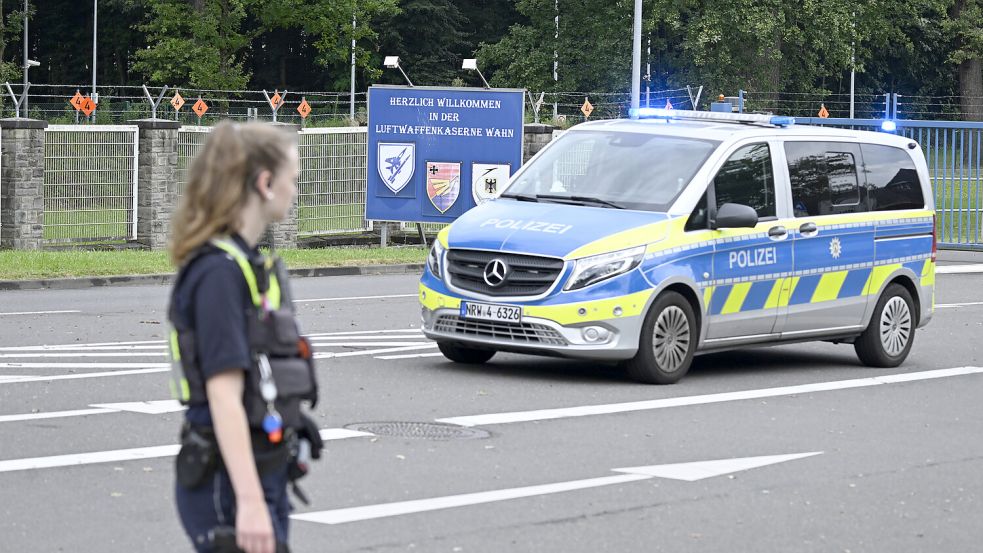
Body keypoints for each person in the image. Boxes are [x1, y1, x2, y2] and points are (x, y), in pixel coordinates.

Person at [166, 121, 322, 553]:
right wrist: (250, 503)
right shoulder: (218, 273)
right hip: (228, 483)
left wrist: (285, 415)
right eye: (293, 179)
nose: (295, 190)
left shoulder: (241, 262)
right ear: (265, 183)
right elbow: (222, 395)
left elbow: (256, 364)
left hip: (254, 467)